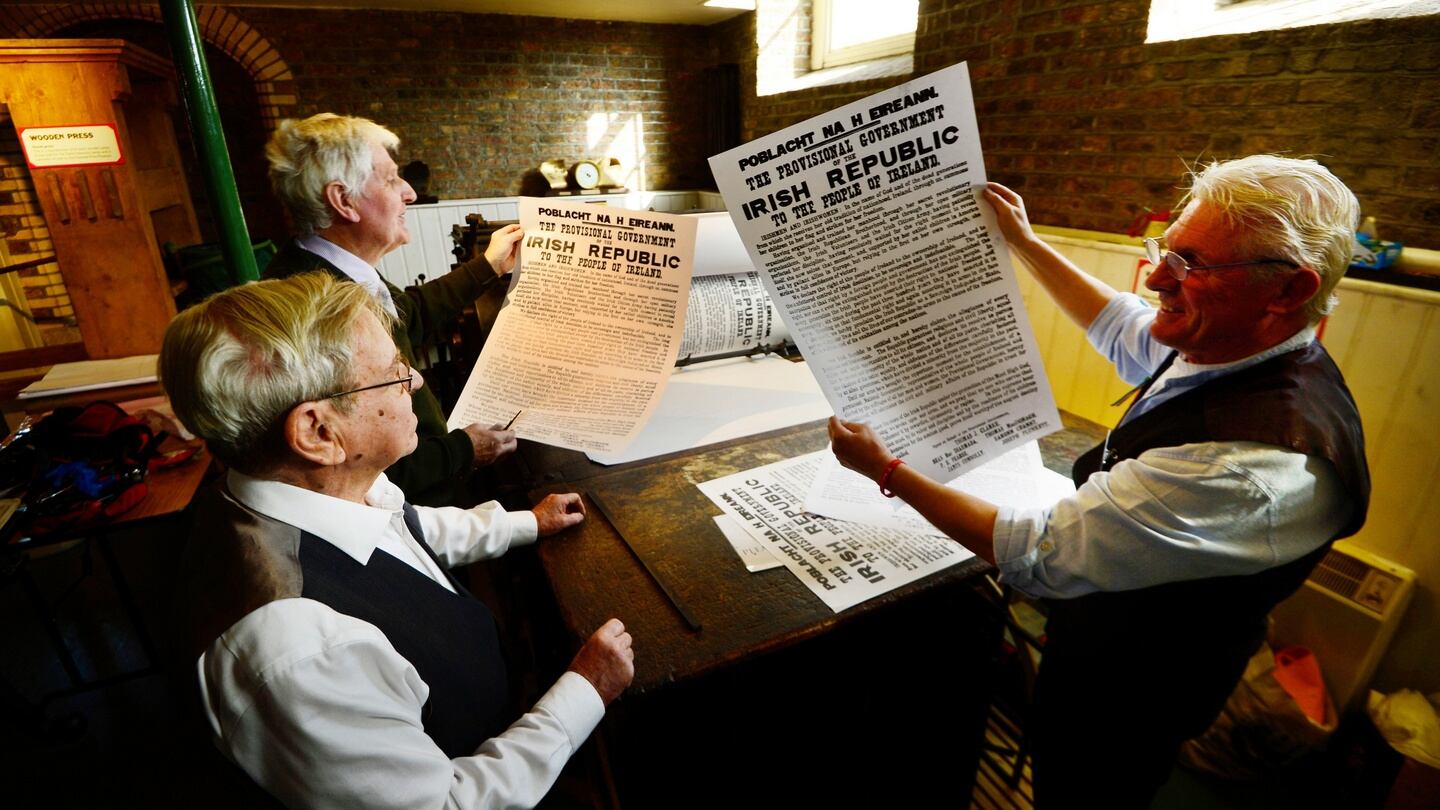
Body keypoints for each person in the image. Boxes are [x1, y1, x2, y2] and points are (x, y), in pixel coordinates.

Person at [828, 155, 1370, 807]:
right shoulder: (1232, 340)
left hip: (1136, 691)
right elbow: (1123, 326)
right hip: (1102, 640)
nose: (1159, 281)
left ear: (1286, 290)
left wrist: (886, 470)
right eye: (1166, 252)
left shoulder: (1256, 462)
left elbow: (1039, 553)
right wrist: (1025, 243)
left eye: (1191, 265)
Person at [163, 273, 635, 809]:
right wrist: (584, 691)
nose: (413, 381)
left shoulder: (316, 485)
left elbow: (407, 531)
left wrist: (524, 523)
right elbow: (446, 805)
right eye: (391, 374)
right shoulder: (304, 654)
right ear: (319, 433)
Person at [264, 112, 515, 506]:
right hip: (409, 512)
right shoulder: (316, 308)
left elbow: (407, 317)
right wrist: (464, 449)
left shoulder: (336, 271)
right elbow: (369, 467)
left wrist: (489, 265)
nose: (409, 193)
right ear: (343, 200)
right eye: (391, 178)